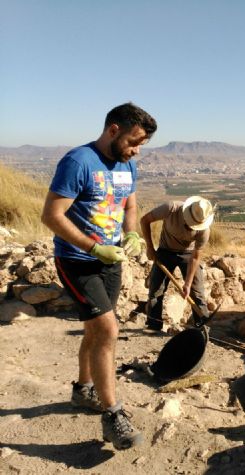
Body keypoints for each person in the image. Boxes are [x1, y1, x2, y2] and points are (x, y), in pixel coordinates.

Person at [41, 102, 156, 450]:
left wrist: (132, 234)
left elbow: (130, 206)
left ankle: (83, 390)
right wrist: (93, 248)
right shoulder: (78, 162)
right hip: (77, 259)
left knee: (95, 328)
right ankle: (113, 414)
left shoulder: (128, 165)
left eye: (142, 145)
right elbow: (51, 215)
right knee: (108, 329)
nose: (137, 150)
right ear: (113, 130)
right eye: (134, 141)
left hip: (111, 261)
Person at [140, 196, 214, 330]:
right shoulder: (171, 208)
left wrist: (188, 284)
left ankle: (202, 328)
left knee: (196, 292)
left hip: (189, 254)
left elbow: (196, 257)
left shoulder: (204, 230)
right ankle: (153, 326)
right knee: (156, 291)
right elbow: (144, 220)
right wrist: (150, 247)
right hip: (165, 251)